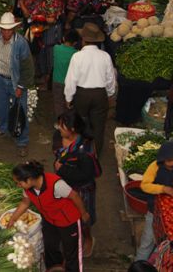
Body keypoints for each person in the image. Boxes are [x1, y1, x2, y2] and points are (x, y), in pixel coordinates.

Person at [7, 161, 89, 272]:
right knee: (50, 246)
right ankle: (54, 268)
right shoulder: (28, 188)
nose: (18, 185)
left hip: (68, 221)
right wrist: (13, 218)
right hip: (50, 219)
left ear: (29, 179)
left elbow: (74, 196)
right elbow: (25, 203)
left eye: (19, 182)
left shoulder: (56, 184)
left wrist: (83, 213)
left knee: (71, 252)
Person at [53, 110, 101, 257]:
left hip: (82, 189)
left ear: (72, 129)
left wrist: (62, 169)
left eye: (62, 126)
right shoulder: (58, 136)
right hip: (65, 186)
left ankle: (88, 238)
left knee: (84, 216)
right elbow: (55, 151)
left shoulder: (85, 150)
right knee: (67, 214)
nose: (58, 128)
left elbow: (85, 175)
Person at [63, 22, 116, 155]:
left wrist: (68, 98)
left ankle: (79, 152)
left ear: (83, 40)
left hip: (82, 95)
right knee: (98, 127)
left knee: (79, 124)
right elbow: (110, 79)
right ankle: (95, 155)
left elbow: (71, 80)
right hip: (99, 94)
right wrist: (110, 94)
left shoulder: (77, 56)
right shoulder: (105, 56)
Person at [0, 12, 34, 157]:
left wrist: (21, 86)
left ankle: (22, 141)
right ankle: (4, 129)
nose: (6, 32)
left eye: (9, 29)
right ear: (0, 29)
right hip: (0, 79)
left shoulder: (21, 43)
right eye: (4, 29)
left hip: (15, 81)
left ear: (13, 29)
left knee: (20, 111)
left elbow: (28, 68)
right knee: (2, 107)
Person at [135, 141, 173, 260]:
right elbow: (144, 185)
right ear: (162, 159)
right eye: (169, 160)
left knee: (165, 244)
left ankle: (157, 264)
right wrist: (164, 189)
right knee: (147, 242)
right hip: (154, 213)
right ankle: (138, 265)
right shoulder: (154, 166)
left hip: (172, 216)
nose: (172, 163)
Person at [53, 30, 80, 124]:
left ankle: (60, 123)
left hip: (57, 81)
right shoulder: (76, 54)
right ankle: (69, 123)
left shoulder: (56, 48)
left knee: (58, 103)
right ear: (75, 42)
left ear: (64, 38)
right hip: (70, 83)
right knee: (69, 103)